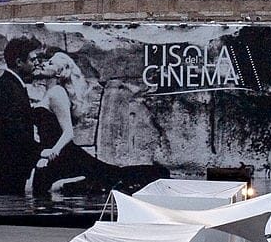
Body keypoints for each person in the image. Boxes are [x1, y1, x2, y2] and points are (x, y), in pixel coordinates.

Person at [27, 50, 169, 196]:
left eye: (50, 63)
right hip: (55, 154)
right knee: (110, 175)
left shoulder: (57, 92)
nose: (43, 64)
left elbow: (68, 132)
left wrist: (52, 153)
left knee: (113, 176)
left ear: (59, 73)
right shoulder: (51, 92)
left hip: (61, 155)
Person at [0, 35, 42, 195]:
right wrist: (39, 151)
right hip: (7, 169)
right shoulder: (5, 86)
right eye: (32, 60)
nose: (36, 63)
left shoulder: (13, 85)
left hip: (13, 167)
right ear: (19, 62)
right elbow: (13, 128)